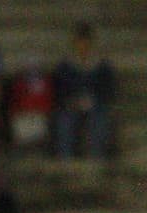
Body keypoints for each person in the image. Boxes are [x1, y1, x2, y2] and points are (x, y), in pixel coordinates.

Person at [52, 22, 116, 161]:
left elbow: (108, 91)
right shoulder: (65, 66)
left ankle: (95, 156)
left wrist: (93, 101)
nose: (83, 46)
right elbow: (59, 89)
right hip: (71, 104)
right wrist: (71, 101)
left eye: (86, 43)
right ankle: (66, 157)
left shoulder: (102, 66)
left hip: (95, 104)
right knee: (64, 120)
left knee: (100, 119)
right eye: (80, 43)